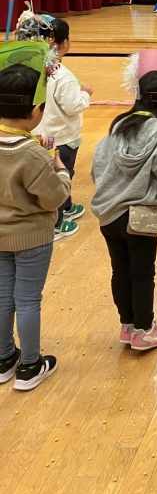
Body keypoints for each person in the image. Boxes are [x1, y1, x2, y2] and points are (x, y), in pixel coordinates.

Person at [91, 67, 157, 351]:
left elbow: (96, 168)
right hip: (140, 217)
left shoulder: (117, 125)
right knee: (142, 274)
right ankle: (144, 331)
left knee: (120, 271)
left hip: (108, 214)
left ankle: (127, 325)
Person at [0, 42, 70, 391]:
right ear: (34, 111)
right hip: (31, 238)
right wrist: (60, 169)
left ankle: (3, 359)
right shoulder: (32, 153)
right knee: (28, 299)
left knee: (2, 296)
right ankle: (30, 365)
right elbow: (55, 198)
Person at [35, 17, 93, 241]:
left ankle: (66, 207)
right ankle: (57, 223)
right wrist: (85, 93)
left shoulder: (33, 67)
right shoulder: (62, 75)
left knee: (60, 175)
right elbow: (73, 106)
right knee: (60, 177)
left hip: (42, 133)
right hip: (62, 138)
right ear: (64, 43)